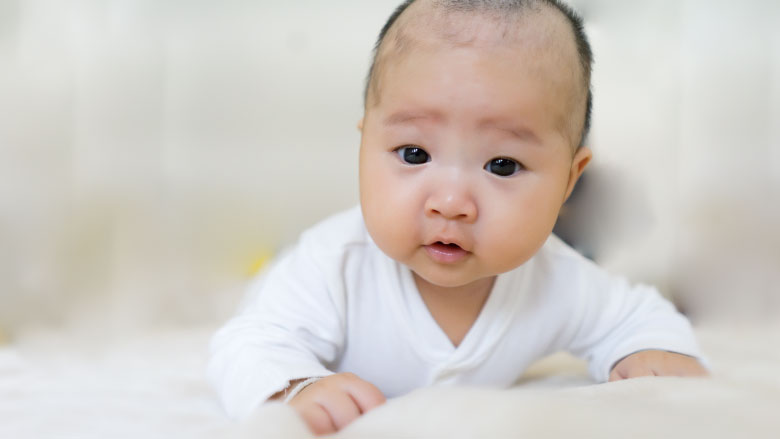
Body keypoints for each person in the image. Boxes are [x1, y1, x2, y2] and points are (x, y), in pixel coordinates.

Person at [208, 0, 708, 434]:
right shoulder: (333, 264)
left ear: (569, 180)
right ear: (365, 144)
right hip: (294, 287)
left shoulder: (557, 278)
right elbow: (249, 344)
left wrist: (650, 351)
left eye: (502, 165)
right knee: (267, 290)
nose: (450, 203)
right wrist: (296, 388)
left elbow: (638, 318)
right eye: (413, 154)